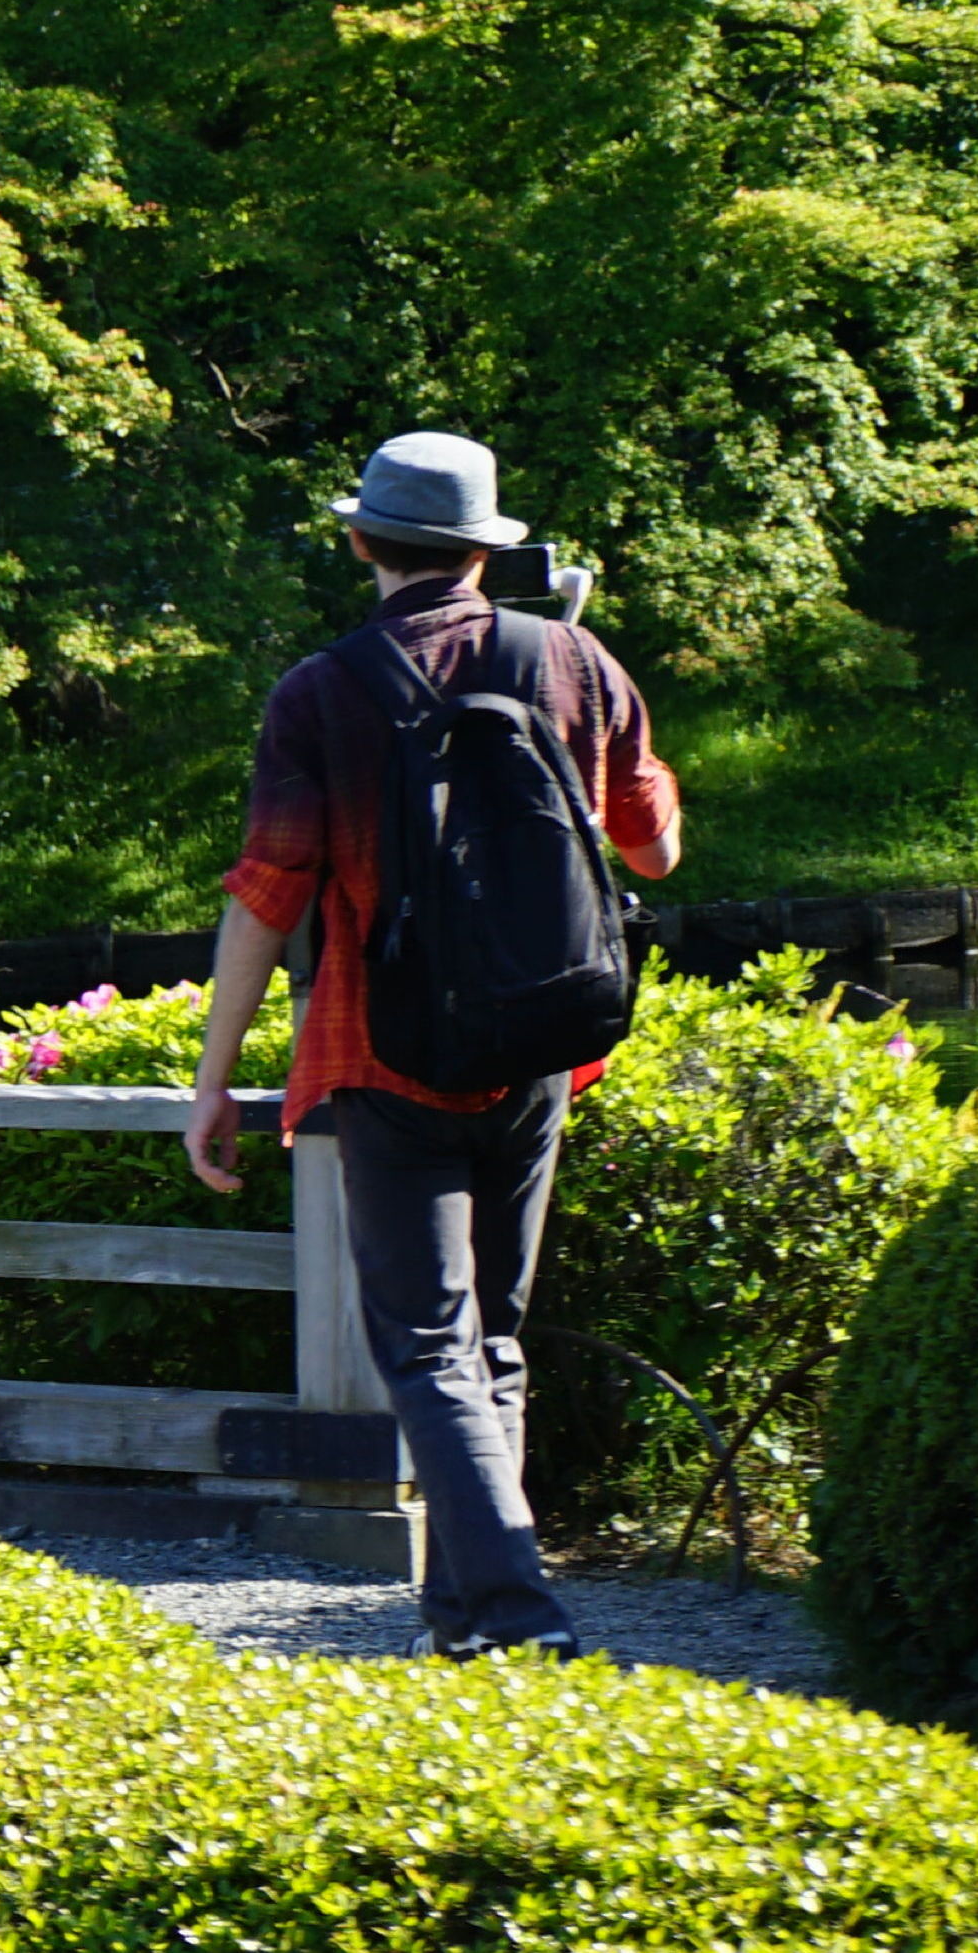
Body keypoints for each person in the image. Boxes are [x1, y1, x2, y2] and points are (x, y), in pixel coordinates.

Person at [176, 431, 680, 1656]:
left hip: (376, 1050)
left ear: (359, 540)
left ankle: (509, 1614)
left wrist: (214, 1077)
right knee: (485, 1341)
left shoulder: (318, 692)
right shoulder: (568, 656)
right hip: (538, 1045)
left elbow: (268, 891)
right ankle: (465, 1618)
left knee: (423, 1343)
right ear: (480, 546)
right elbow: (651, 848)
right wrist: (601, 700)